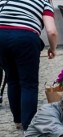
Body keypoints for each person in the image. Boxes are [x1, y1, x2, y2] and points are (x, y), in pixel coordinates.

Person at [0, 0, 57, 130]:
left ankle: (18, 120)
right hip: (25, 39)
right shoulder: (43, 3)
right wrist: (53, 48)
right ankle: (29, 125)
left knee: (12, 80)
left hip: (1, 37)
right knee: (28, 84)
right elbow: (52, 31)